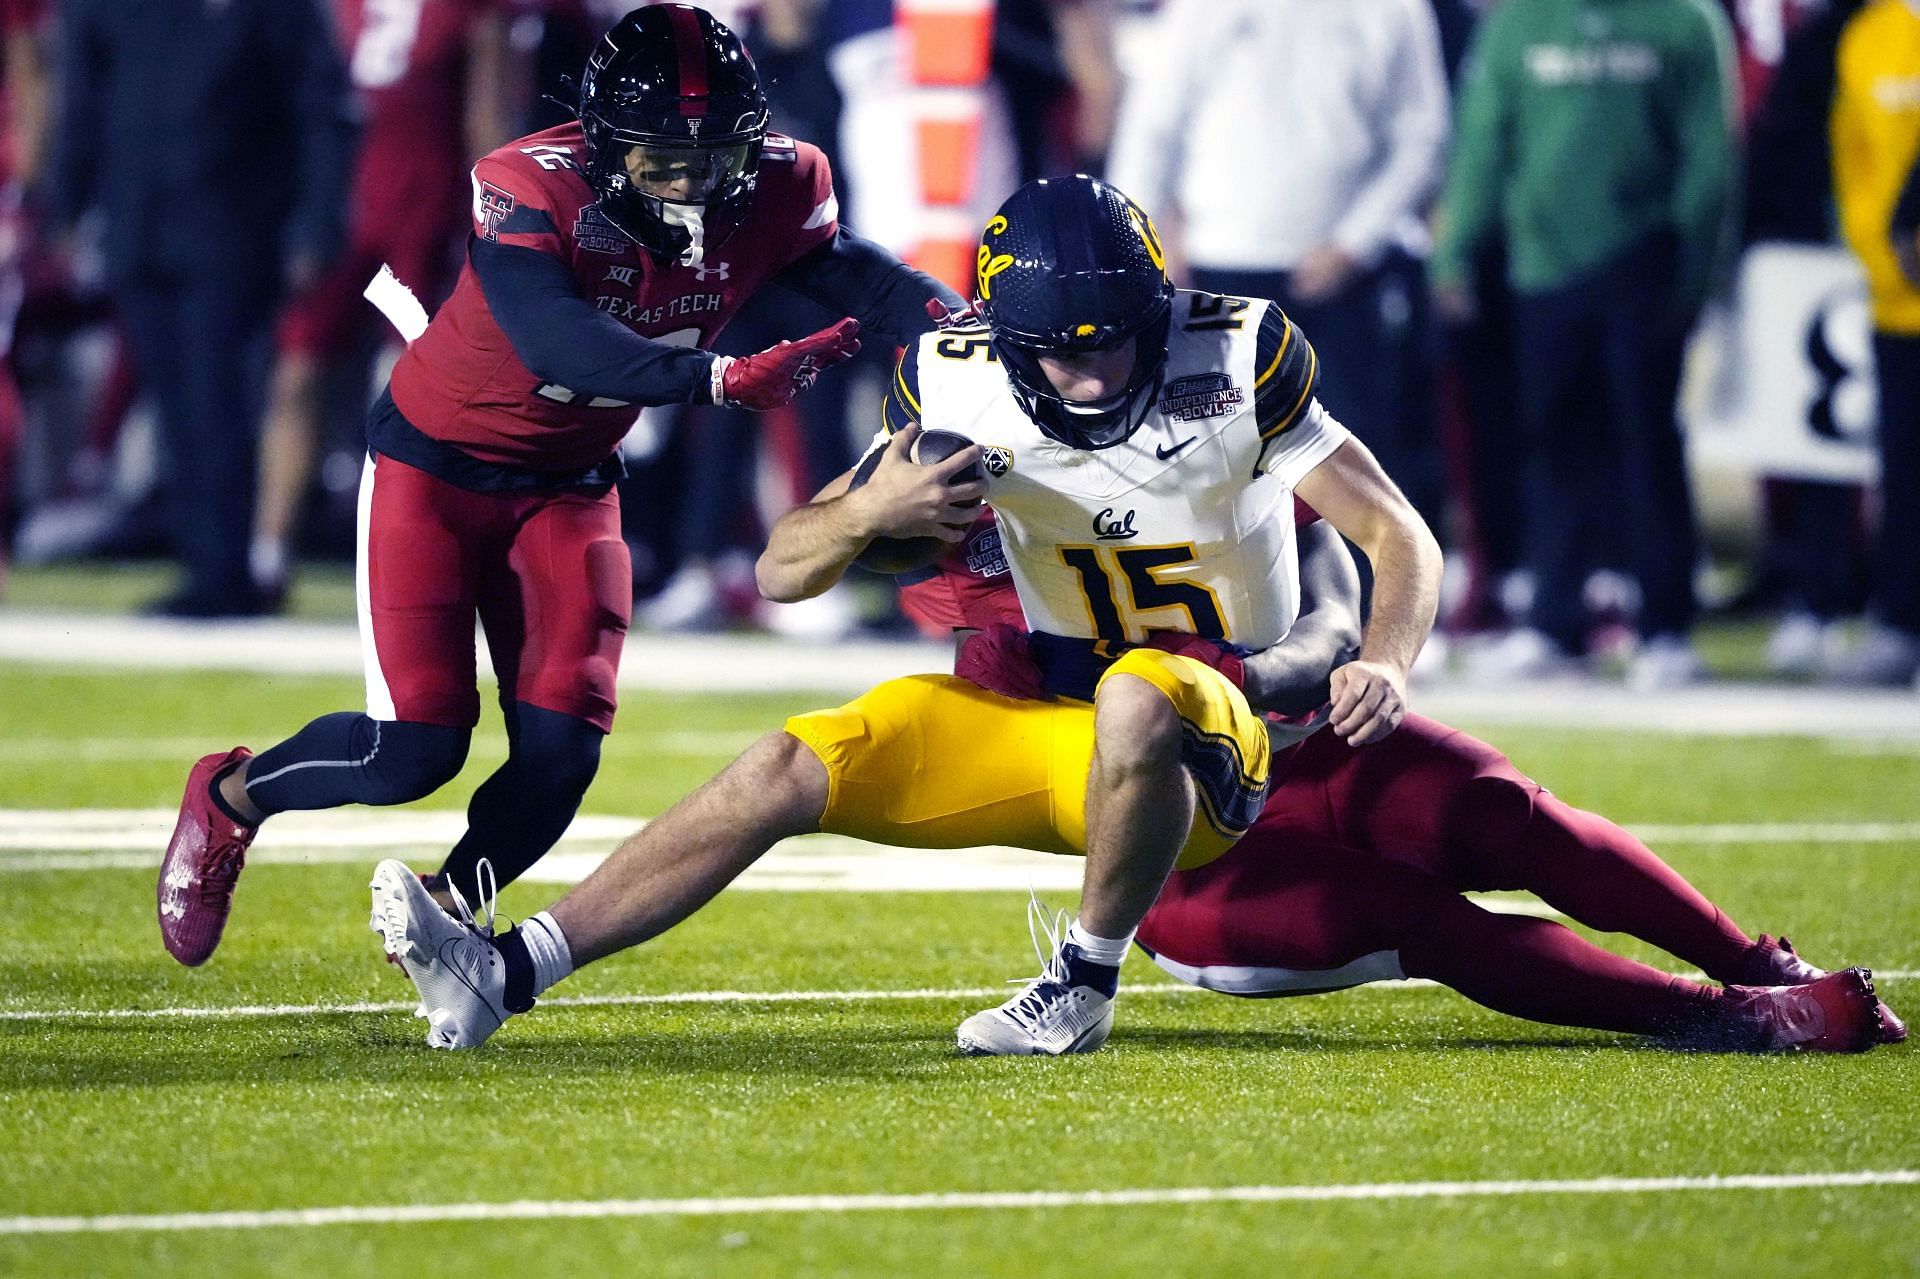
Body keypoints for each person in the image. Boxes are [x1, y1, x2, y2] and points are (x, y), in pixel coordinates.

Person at [369, 173, 1444, 1056]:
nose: (1102, 369)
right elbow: (786, 570)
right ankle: (505, 971)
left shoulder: (1237, 353)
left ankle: (1082, 979)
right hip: (1052, 714)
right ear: (1006, 340)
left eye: (1120, 337)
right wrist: (876, 507)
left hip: (1220, 734)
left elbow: (1397, 531)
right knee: (787, 766)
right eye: (1068, 351)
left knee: (1142, 692)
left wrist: (1385, 661)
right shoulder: (954, 382)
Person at [156, 4, 962, 968]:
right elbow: (557, 339)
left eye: (713, 161)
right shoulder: (527, 182)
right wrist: (712, 377)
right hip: (436, 467)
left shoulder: (785, 182)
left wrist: (967, 333)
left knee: (561, 752)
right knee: (414, 746)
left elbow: (862, 280)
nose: (690, 185)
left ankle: (449, 916)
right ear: (606, 142)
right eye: (663, 159)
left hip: (572, 480)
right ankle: (228, 797)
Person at [905, 504, 1903, 1053]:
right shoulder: (997, 601)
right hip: (1199, 851)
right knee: (1425, 914)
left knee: (1505, 811)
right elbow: (1080, 790)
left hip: (1317, 743)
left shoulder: (1208, 431)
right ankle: (1729, 1018)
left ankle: (1756, 963)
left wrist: (1286, 673)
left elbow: (1339, 592)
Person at [1433, 0, 1739, 688]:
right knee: (1549, 443)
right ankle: (1555, 620)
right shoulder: (1519, 23)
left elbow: (1710, 156)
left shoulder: (1684, 21)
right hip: (1541, 267)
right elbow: (1484, 139)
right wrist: (1454, 251)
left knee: (1648, 441)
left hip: (1645, 259)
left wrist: (1693, 276)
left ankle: (1665, 627)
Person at [48, 0, 358, 617]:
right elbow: (81, 99)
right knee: (175, 404)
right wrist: (65, 208)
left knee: (218, 400)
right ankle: (204, 567)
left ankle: (226, 574)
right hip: (139, 226)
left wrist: (318, 229)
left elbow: (320, 108)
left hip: (234, 229)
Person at [1109, 0, 1453, 532]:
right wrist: (1139, 249)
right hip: (1220, 271)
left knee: (1356, 460)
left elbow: (1422, 136)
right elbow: (1152, 129)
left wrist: (1353, 244)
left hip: (1348, 280)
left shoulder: (1395, 8)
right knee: (1215, 463)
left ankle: (1370, 607)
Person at [250, 0, 529, 609]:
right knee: (298, 373)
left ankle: (442, 559)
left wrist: (502, 226)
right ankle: (268, 552)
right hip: (340, 211)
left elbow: (487, 115)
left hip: (423, 212)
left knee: (431, 395)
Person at [1829, 0, 1920, 686]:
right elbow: (1853, 165)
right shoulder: (1869, 33)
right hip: (1898, 299)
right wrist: (1886, 260)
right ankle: (1900, 622)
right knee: (1904, 468)